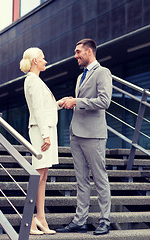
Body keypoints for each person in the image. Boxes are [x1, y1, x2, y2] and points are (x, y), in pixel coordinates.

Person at [56, 39, 112, 235]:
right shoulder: (81, 77)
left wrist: (76, 101)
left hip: (94, 135)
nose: (75, 55)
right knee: (81, 180)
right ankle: (80, 220)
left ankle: (105, 220)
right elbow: (81, 102)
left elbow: (104, 102)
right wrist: (69, 101)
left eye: (78, 51)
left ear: (89, 52)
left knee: (99, 178)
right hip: (76, 133)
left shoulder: (102, 72)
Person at [20, 47, 63, 235]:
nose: (46, 61)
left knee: (43, 175)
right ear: (35, 61)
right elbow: (37, 110)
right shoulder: (33, 81)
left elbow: (44, 108)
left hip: (43, 130)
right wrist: (45, 135)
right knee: (38, 175)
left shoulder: (36, 81)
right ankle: (29, 219)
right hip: (40, 132)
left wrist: (58, 104)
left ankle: (41, 217)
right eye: (43, 58)